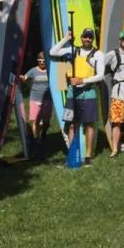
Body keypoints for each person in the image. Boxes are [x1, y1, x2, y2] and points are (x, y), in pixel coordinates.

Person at [50, 28, 105, 167]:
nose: (87, 39)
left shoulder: (98, 54)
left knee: (89, 124)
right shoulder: (74, 50)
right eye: (85, 37)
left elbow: (101, 75)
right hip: (72, 92)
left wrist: (82, 80)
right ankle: (71, 154)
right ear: (81, 38)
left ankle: (87, 157)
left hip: (88, 93)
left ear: (93, 39)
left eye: (90, 37)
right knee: (72, 124)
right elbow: (53, 52)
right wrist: (66, 39)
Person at [19, 51, 52, 143]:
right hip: (34, 98)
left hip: (47, 99)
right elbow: (24, 78)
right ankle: (36, 139)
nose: (41, 62)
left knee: (46, 122)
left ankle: (44, 133)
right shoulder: (33, 70)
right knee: (35, 121)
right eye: (40, 60)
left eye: (43, 61)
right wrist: (21, 77)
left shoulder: (50, 70)